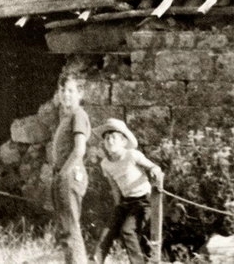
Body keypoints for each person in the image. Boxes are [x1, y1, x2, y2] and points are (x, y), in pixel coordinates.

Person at [93, 118, 164, 264]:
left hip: (144, 200)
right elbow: (114, 187)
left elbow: (154, 167)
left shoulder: (132, 155)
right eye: (106, 138)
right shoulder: (105, 164)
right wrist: (118, 208)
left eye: (114, 137)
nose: (110, 141)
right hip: (126, 202)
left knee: (127, 230)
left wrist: (154, 171)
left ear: (123, 141)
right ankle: (96, 260)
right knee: (109, 229)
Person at [51, 71, 92, 264]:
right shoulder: (67, 117)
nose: (65, 94)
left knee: (70, 228)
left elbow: (79, 149)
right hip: (63, 175)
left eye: (70, 90)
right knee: (65, 227)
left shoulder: (78, 115)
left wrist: (63, 173)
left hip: (70, 175)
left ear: (80, 93)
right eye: (62, 90)